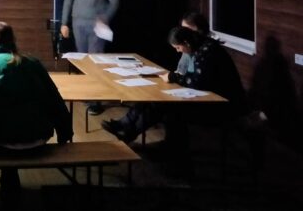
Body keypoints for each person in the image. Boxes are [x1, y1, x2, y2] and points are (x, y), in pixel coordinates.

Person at [0, 22, 73, 189]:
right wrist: (64, 133)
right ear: (13, 40)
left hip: (2, 141)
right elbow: (54, 99)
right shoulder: (32, 63)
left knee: (5, 131)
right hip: (38, 138)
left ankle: (8, 184)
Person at [102, 26, 247, 149]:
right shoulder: (199, 47)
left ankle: (135, 134)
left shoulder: (207, 51)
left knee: (163, 104)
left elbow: (198, 82)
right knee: (154, 97)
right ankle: (125, 125)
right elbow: (193, 77)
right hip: (207, 95)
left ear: (186, 43)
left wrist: (173, 77)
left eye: (178, 47)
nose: (178, 51)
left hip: (221, 104)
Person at [60, 0, 119, 115]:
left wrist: (104, 18)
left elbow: (115, 2)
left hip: (97, 26)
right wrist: (64, 23)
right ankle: (88, 94)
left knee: (96, 62)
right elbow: (68, 0)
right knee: (83, 61)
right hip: (77, 23)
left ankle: (96, 102)